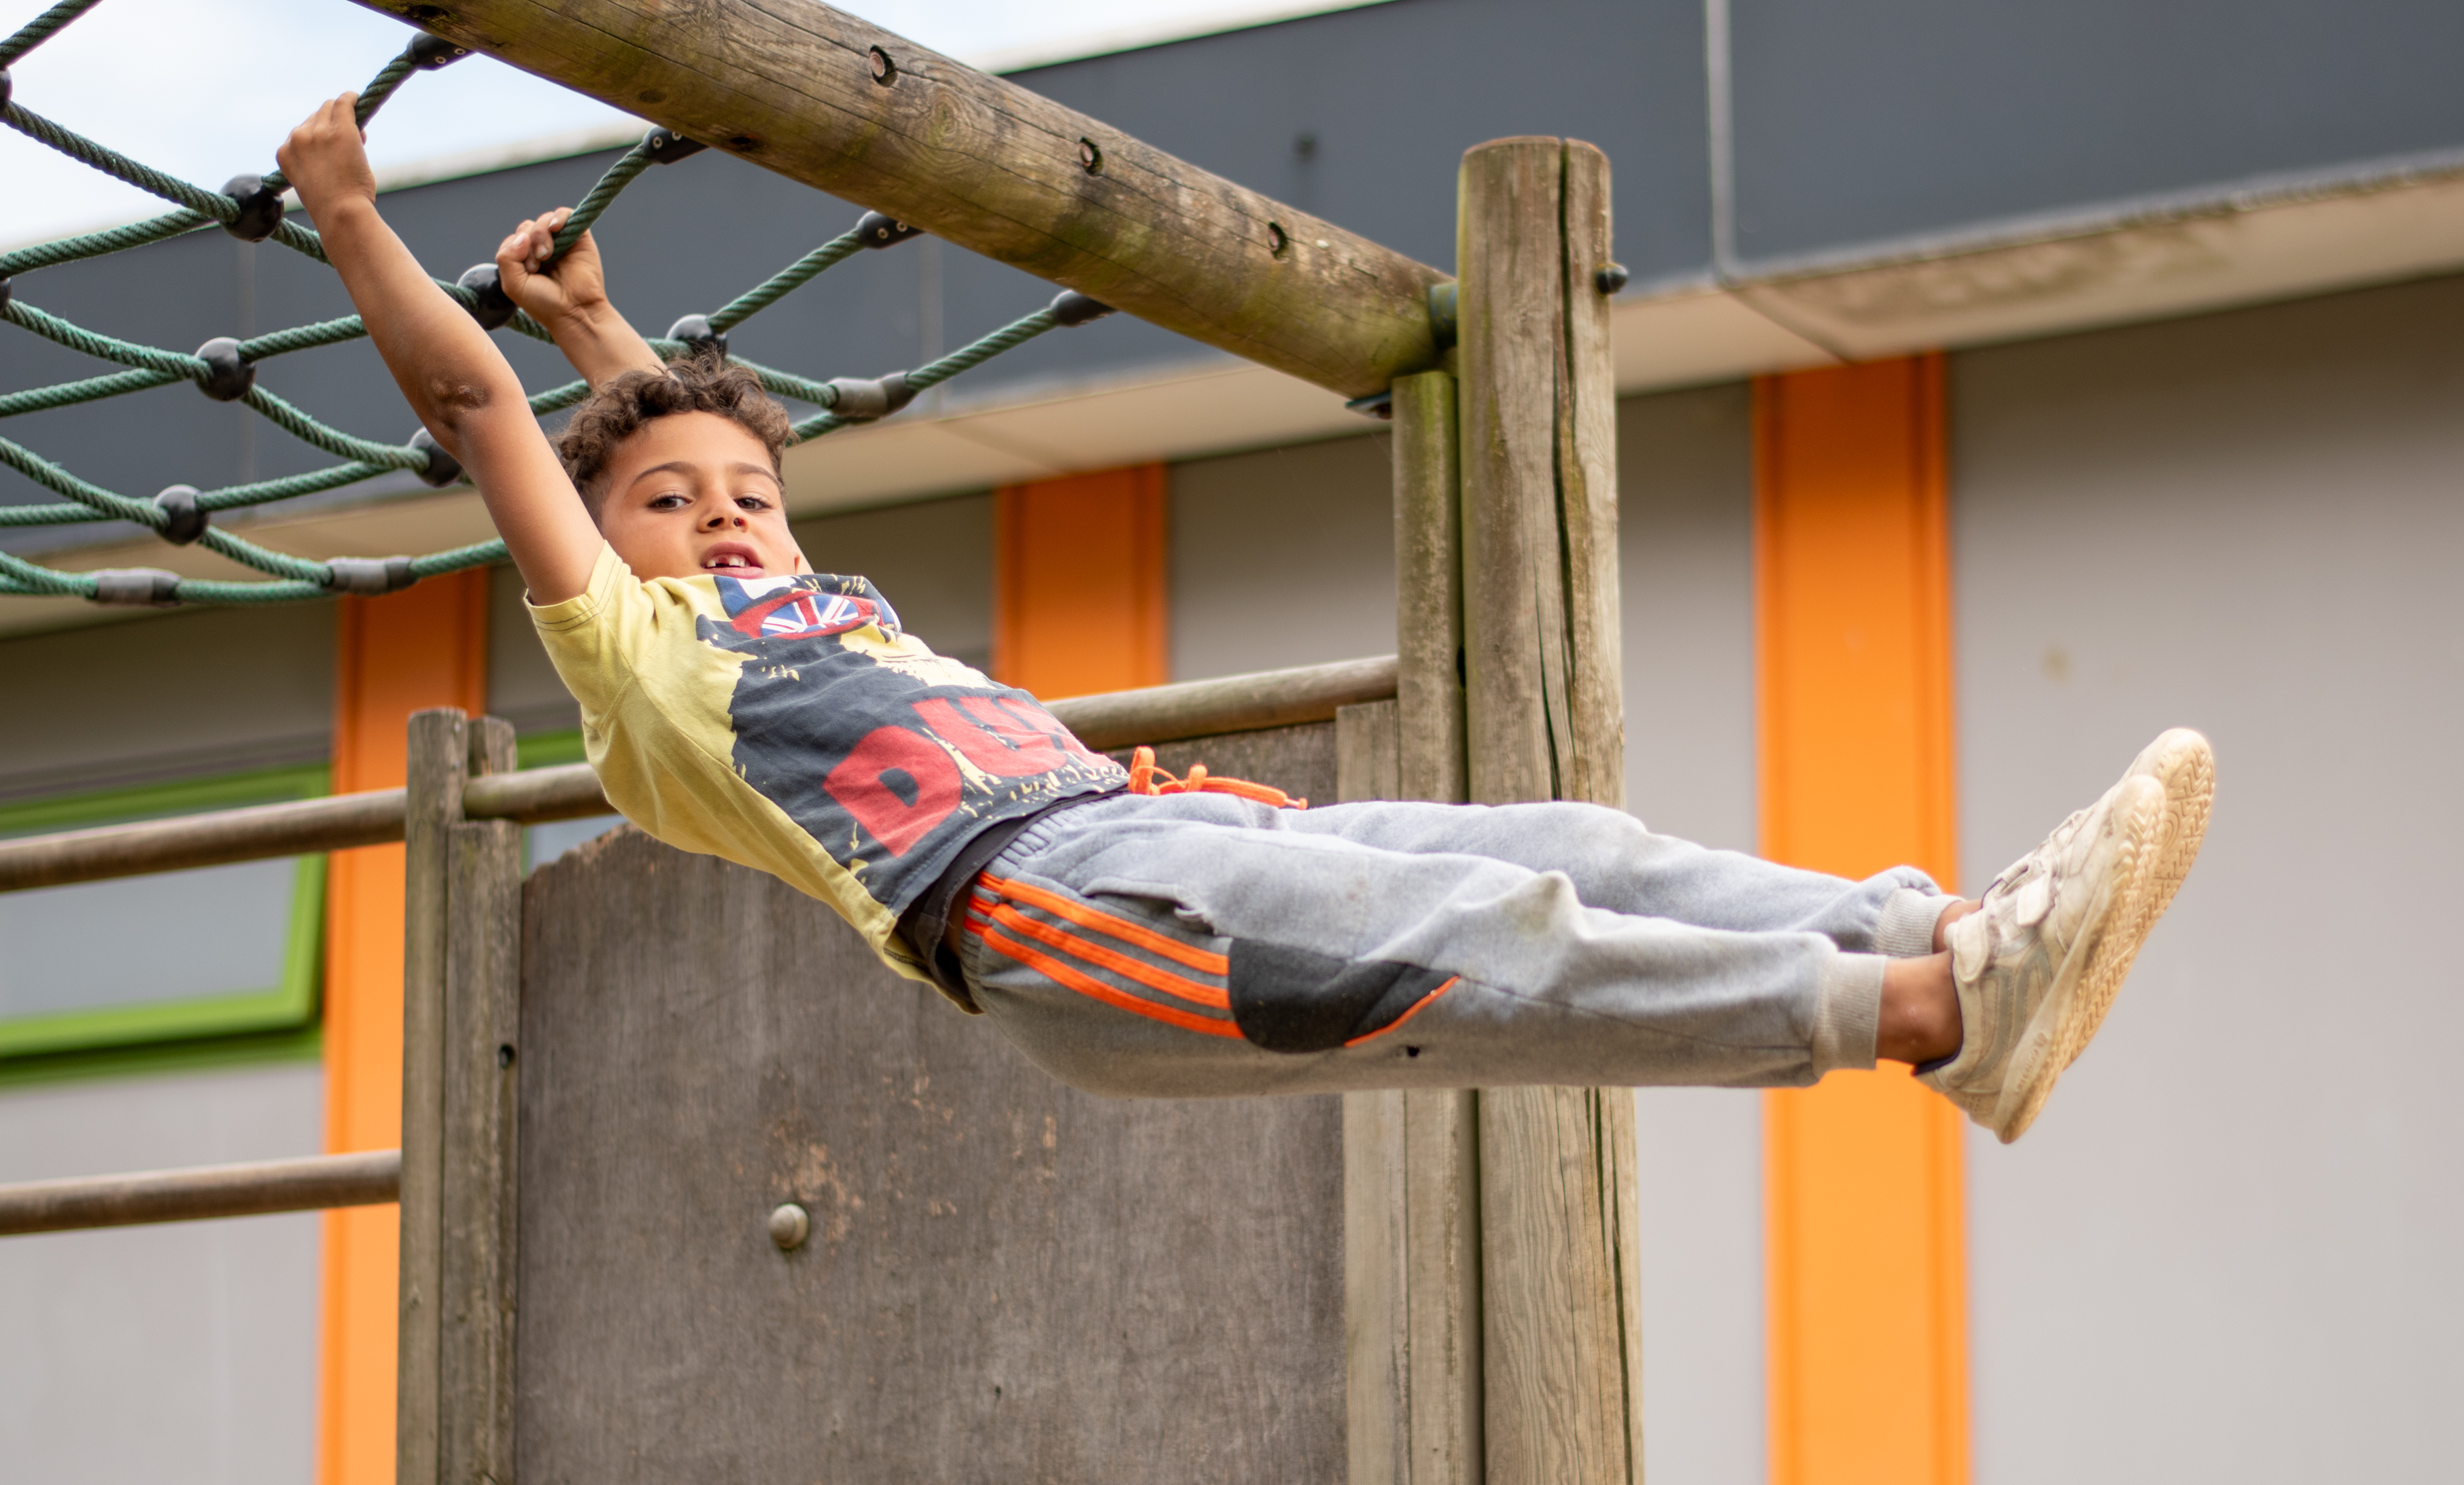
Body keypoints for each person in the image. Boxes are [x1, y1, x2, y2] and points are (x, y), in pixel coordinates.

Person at [279, 94, 2210, 1142]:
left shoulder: (805, 593)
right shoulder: (642, 663)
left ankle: (1941, 945)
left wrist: (599, 331)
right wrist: (356, 216)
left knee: (1567, 846)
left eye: (747, 499)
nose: (718, 525)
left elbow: (694, 453)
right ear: (613, 556)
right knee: (1491, 937)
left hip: (1173, 825)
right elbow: (492, 434)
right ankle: (1922, 1010)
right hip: (1042, 908)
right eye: (667, 516)